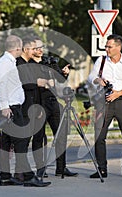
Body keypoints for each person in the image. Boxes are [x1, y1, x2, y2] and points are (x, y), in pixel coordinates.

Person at [0, 35, 51, 187]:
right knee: (21, 140)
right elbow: (1, 86)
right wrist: (5, 107)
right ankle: (27, 176)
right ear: (18, 48)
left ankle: (5, 177)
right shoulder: (5, 63)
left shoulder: (9, 62)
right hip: (11, 108)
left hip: (13, 107)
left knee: (6, 142)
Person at [88, 34, 122, 179]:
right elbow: (91, 77)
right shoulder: (101, 60)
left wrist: (119, 93)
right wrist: (98, 79)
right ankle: (102, 169)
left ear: (118, 47)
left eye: (109, 46)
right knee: (99, 136)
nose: (106, 49)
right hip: (104, 103)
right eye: (106, 46)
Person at [30, 38, 78, 177]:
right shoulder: (29, 64)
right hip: (38, 102)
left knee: (61, 134)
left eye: (41, 47)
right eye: (36, 47)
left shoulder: (48, 60)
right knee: (39, 136)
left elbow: (60, 80)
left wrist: (64, 73)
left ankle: (61, 167)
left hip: (52, 101)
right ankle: (40, 168)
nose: (40, 50)